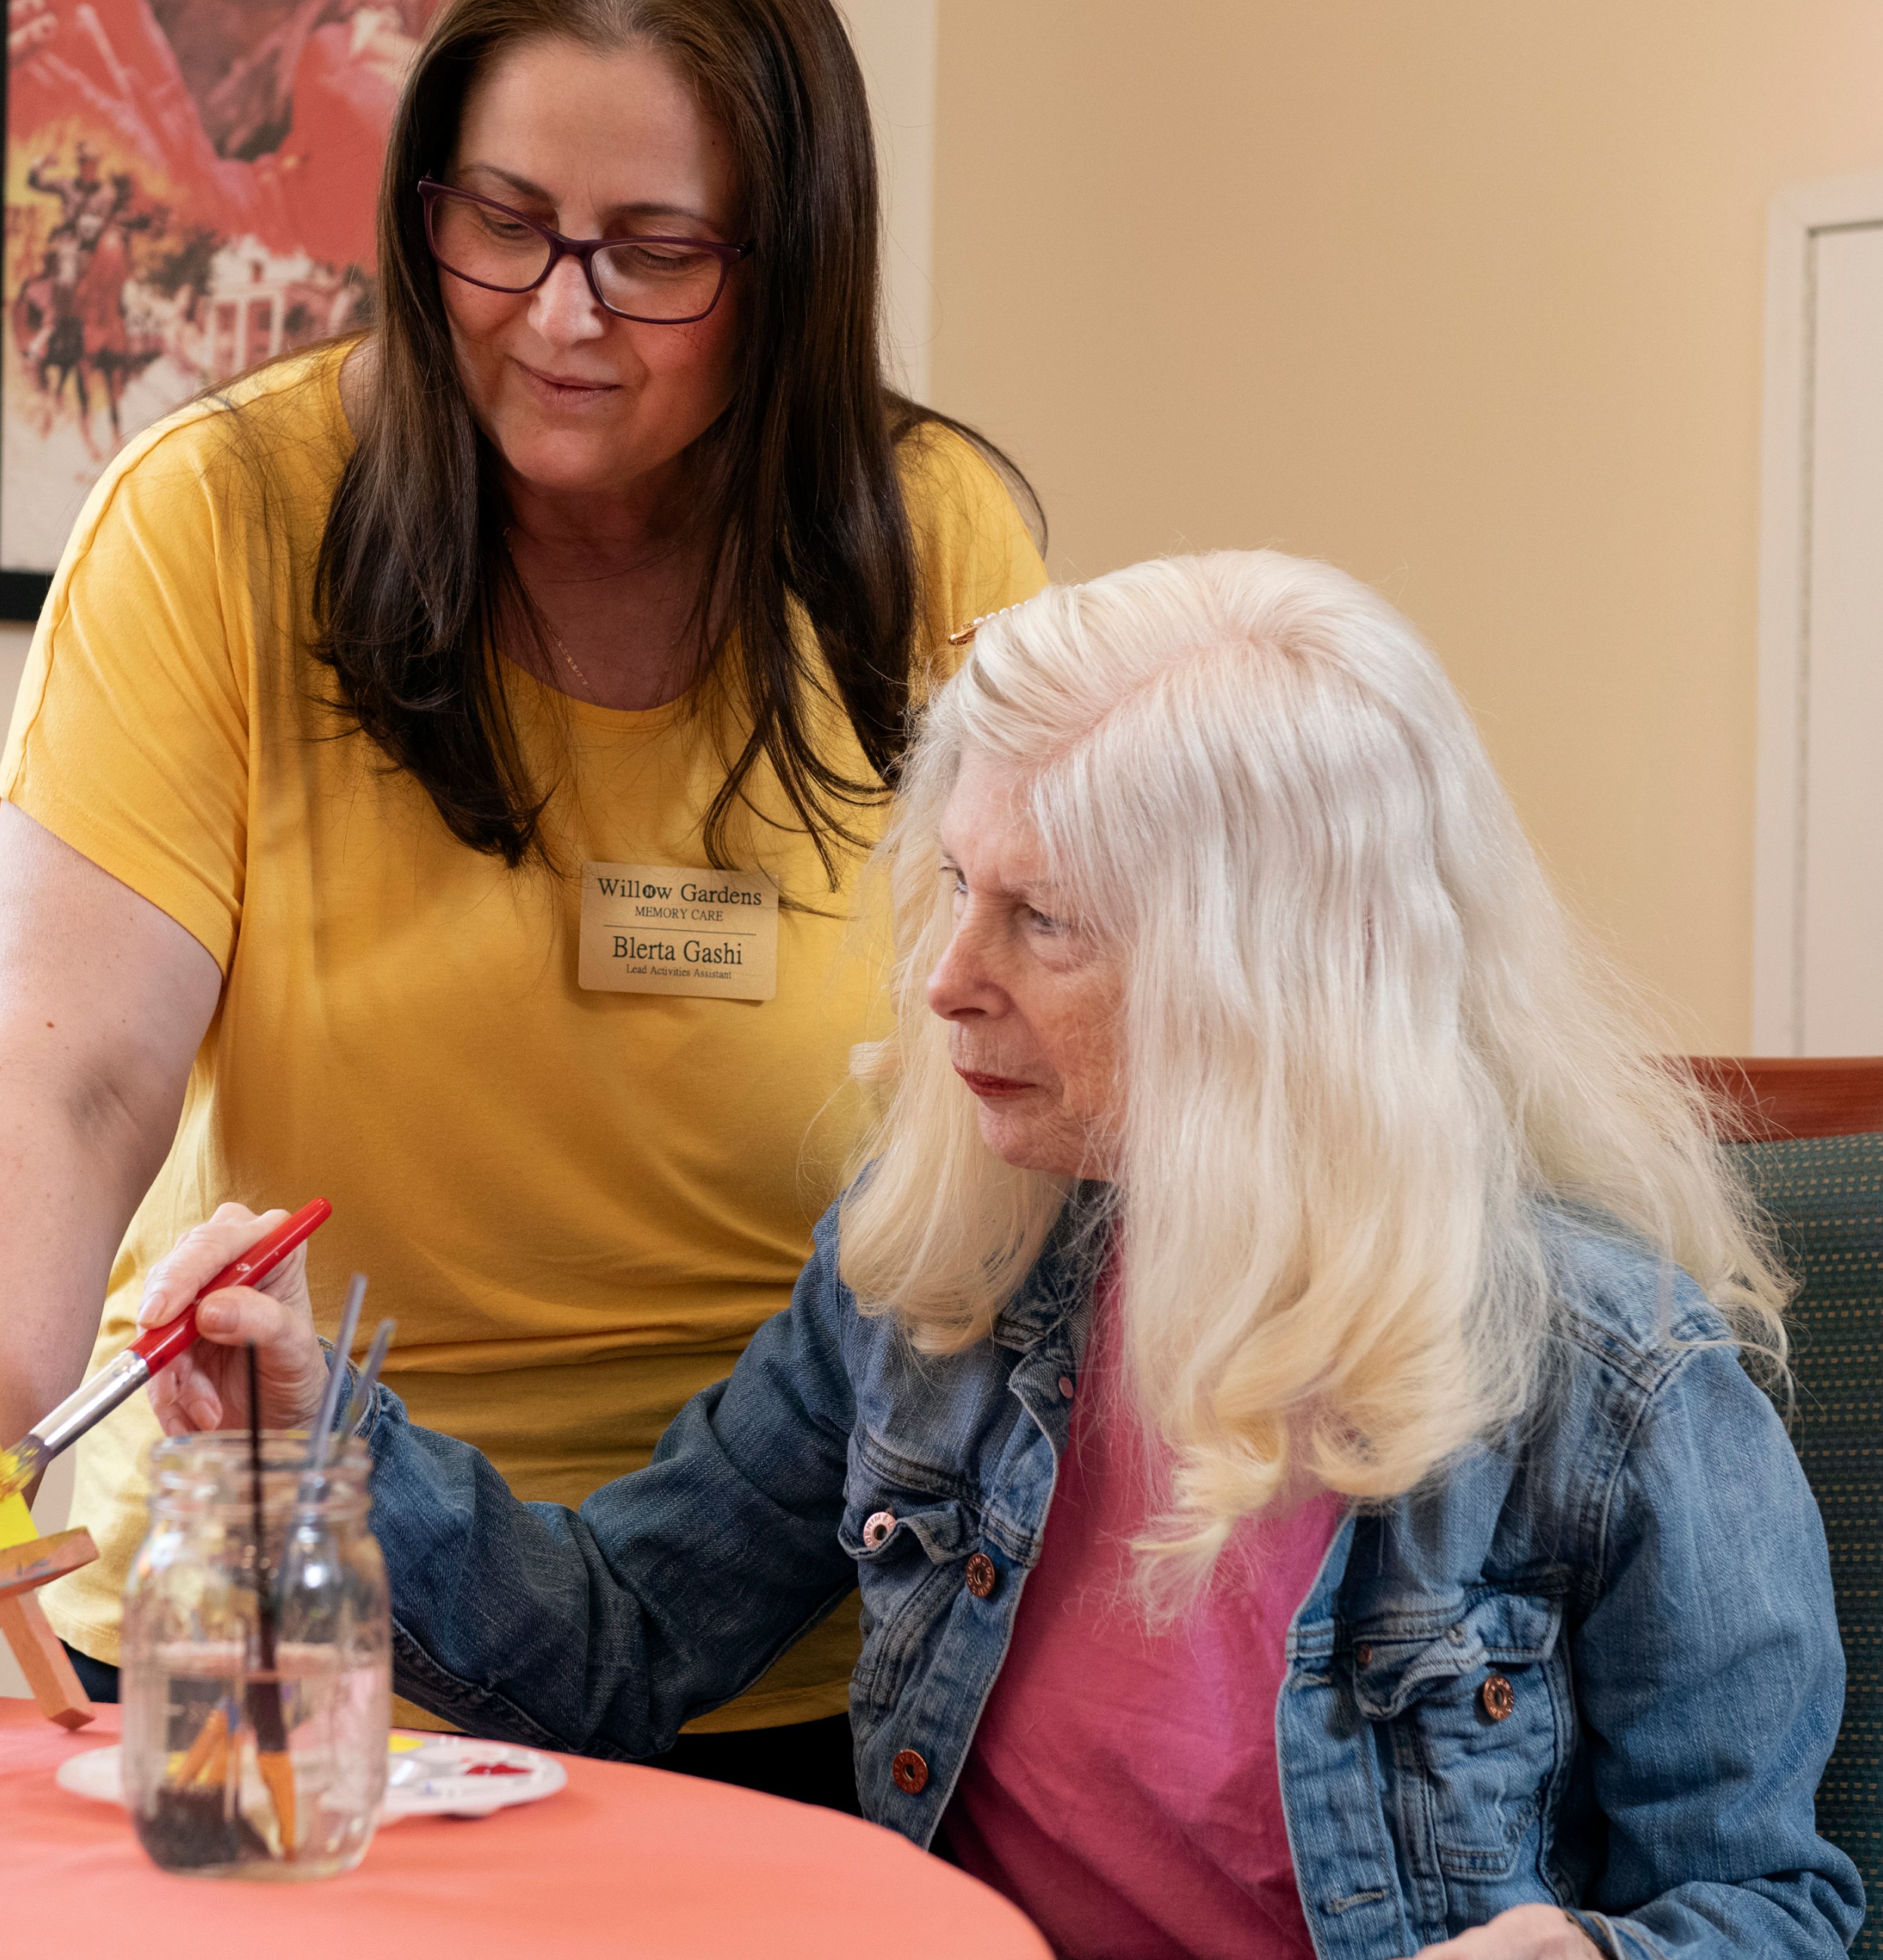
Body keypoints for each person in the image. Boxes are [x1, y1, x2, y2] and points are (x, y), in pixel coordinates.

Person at [144, 553, 1862, 1958]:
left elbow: (1782, 1908)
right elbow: (619, 1643)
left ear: (1266, 988)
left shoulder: (1617, 1385)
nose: (950, 980)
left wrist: (1590, 1956)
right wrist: (318, 1437)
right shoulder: (946, 1269)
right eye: (958, 887)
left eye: (1042, 922)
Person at [0, 0, 1044, 1811]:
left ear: (793, 260)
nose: (561, 313)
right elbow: (69, 1081)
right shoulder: (214, 520)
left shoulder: (933, 535)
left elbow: (1051, 1068)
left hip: (793, 1617)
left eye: (656, 255)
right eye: (502, 224)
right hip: (275, 1587)